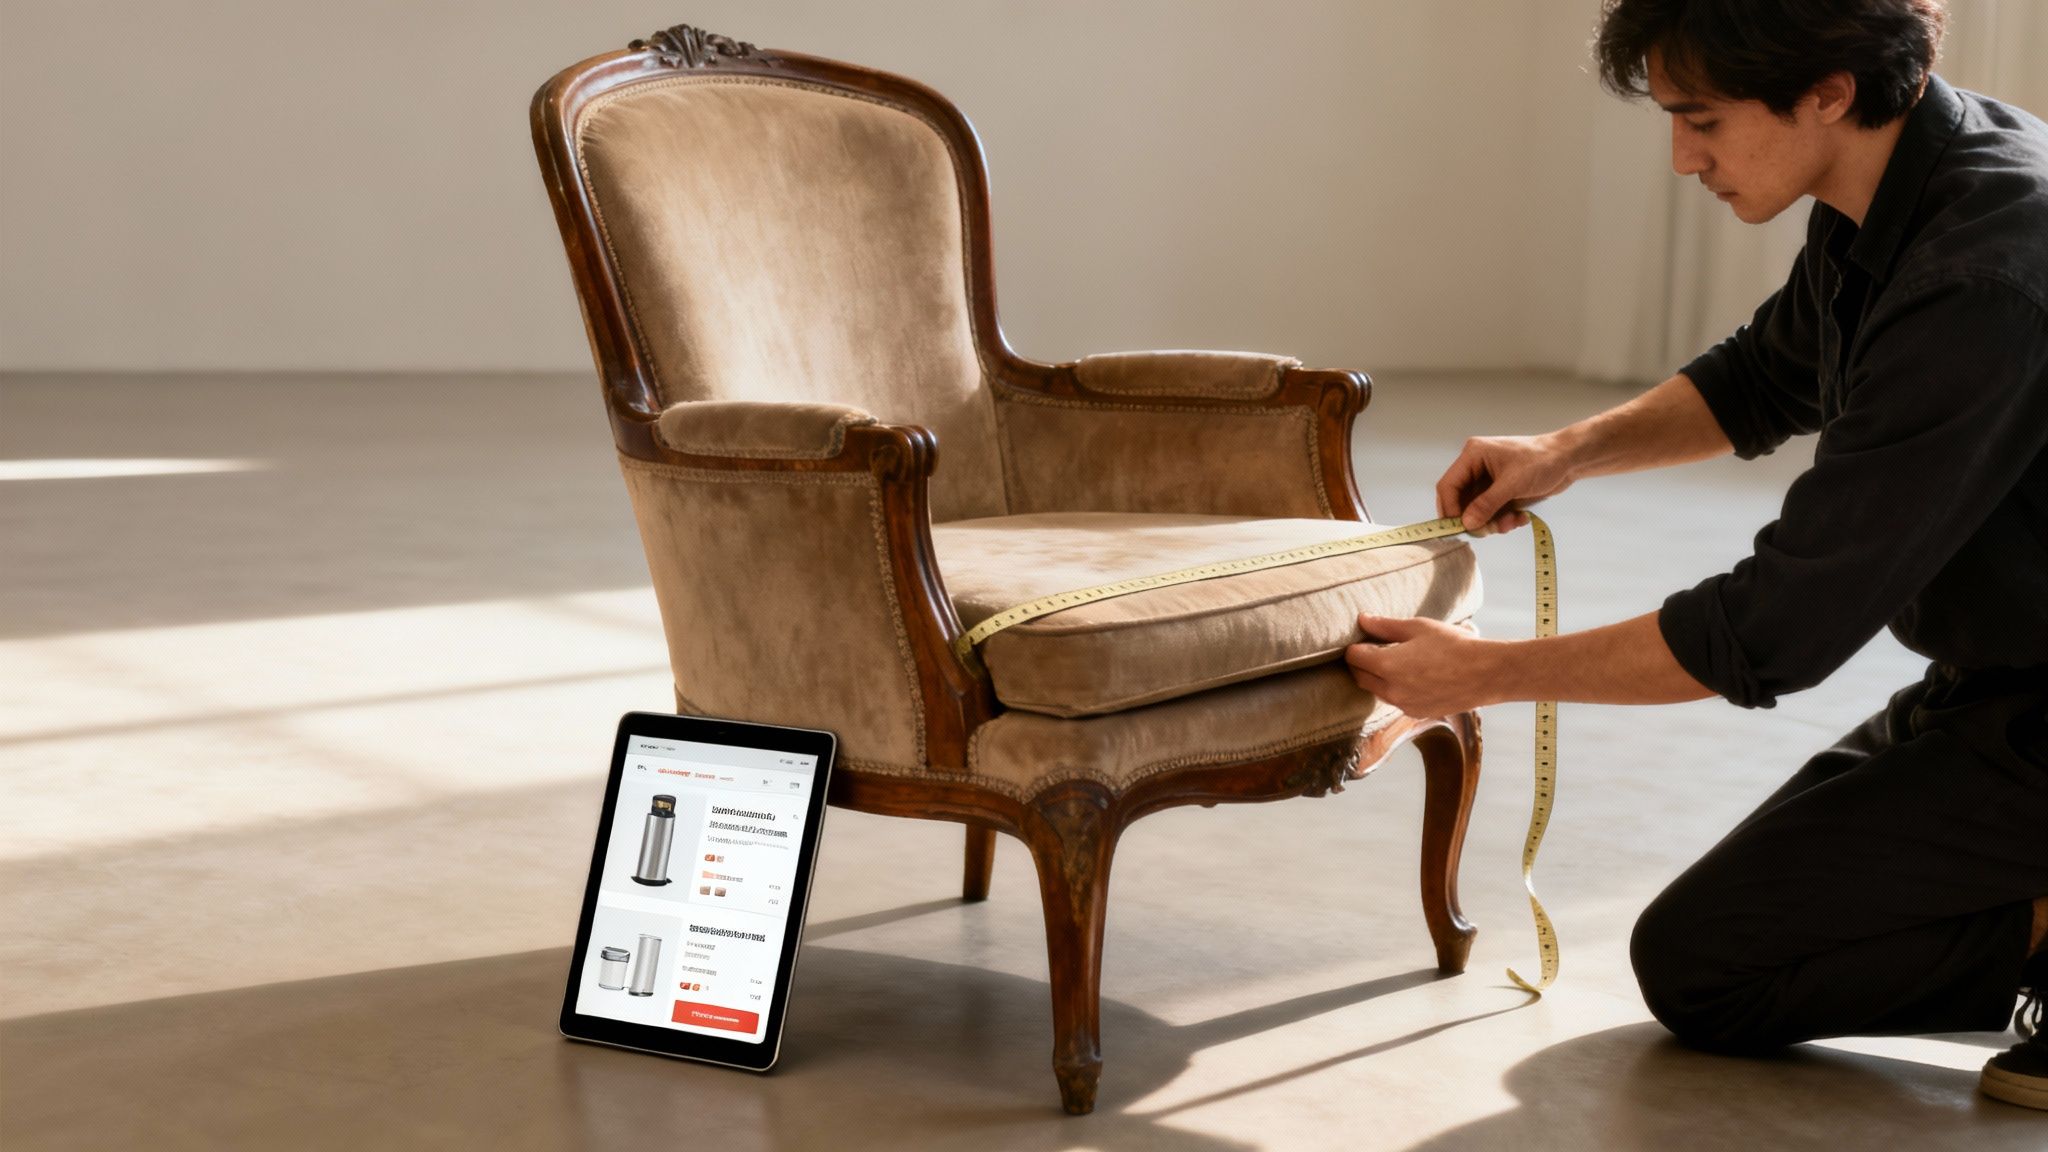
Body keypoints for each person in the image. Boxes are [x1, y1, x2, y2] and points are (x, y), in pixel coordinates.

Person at [1341, 0, 2048, 1110]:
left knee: (1711, 970)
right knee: (1709, 955)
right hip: (1993, 682)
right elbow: (1766, 376)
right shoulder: (1898, 180)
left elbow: (1776, 627)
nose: (1682, 160)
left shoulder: (1984, 277)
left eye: (1700, 121)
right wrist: (1561, 452)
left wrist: (1477, 674)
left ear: (1825, 92)